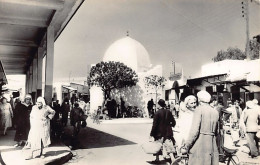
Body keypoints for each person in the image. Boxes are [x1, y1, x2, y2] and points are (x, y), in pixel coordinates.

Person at [182, 90, 219, 165]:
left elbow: (194, 131)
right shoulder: (215, 112)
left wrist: (187, 145)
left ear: (199, 99)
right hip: (212, 143)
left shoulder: (199, 110)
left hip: (201, 143)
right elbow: (217, 131)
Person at [150, 99, 176, 164]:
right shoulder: (168, 112)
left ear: (159, 104)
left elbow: (154, 125)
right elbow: (173, 122)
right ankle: (172, 158)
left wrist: (152, 133)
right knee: (169, 144)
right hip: (167, 131)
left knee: (157, 145)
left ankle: (157, 159)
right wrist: (170, 125)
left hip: (159, 132)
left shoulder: (157, 113)